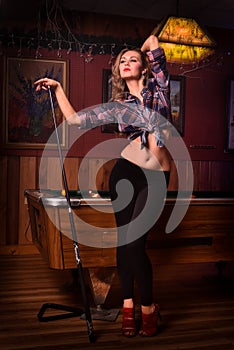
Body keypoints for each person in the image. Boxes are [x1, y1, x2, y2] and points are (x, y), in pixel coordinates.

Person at [34, 34, 172, 337]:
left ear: (146, 67)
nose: (126, 63)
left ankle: (147, 308)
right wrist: (58, 89)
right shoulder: (118, 107)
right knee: (125, 242)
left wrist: (142, 50)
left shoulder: (158, 87)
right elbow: (75, 121)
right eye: (121, 60)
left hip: (156, 176)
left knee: (136, 243)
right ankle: (127, 308)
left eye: (132, 59)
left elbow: (152, 40)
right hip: (124, 173)